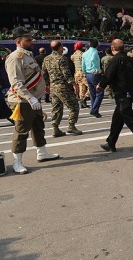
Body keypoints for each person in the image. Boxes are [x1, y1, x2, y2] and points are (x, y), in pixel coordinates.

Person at [6, 27, 59, 174]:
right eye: (28, 40)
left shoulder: (28, 55)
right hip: (22, 101)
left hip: (34, 99)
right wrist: (30, 98)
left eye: (31, 39)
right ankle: (17, 162)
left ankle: (42, 152)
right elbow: (16, 82)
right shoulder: (16, 57)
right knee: (22, 131)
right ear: (18, 41)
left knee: (38, 126)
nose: (31, 42)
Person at [43, 40, 83, 137]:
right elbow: (66, 73)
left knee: (56, 108)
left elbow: (44, 73)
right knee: (74, 106)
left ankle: (55, 129)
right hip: (63, 87)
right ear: (60, 47)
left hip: (53, 87)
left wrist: (47, 85)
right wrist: (74, 84)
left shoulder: (46, 59)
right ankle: (71, 126)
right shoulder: (62, 59)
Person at [81, 39, 104, 117]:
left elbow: (83, 65)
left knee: (92, 93)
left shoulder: (84, 53)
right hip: (95, 74)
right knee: (100, 92)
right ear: (97, 45)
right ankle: (94, 110)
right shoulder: (95, 52)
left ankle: (95, 110)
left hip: (87, 74)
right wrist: (99, 71)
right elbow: (95, 62)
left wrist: (85, 73)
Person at [71, 41, 90, 109]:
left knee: (81, 88)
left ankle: (82, 103)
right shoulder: (83, 54)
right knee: (91, 86)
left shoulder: (73, 56)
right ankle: (84, 98)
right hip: (83, 72)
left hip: (76, 73)